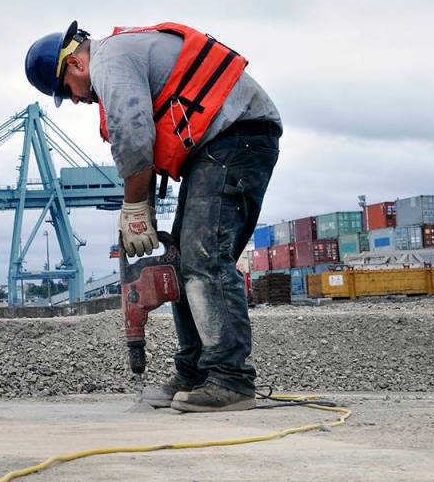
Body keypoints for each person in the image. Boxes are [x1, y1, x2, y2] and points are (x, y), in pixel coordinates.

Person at [25, 21, 280, 412]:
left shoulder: (109, 62)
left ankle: (231, 378)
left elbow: (134, 133)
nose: (76, 100)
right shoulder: (120, 56)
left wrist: (134, 208)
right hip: (223, 141)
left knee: (204, 258)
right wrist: (139, 207)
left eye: (67, 92)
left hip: (238, 135)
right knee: (183, 260)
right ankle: (196, 371)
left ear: (75, 64)